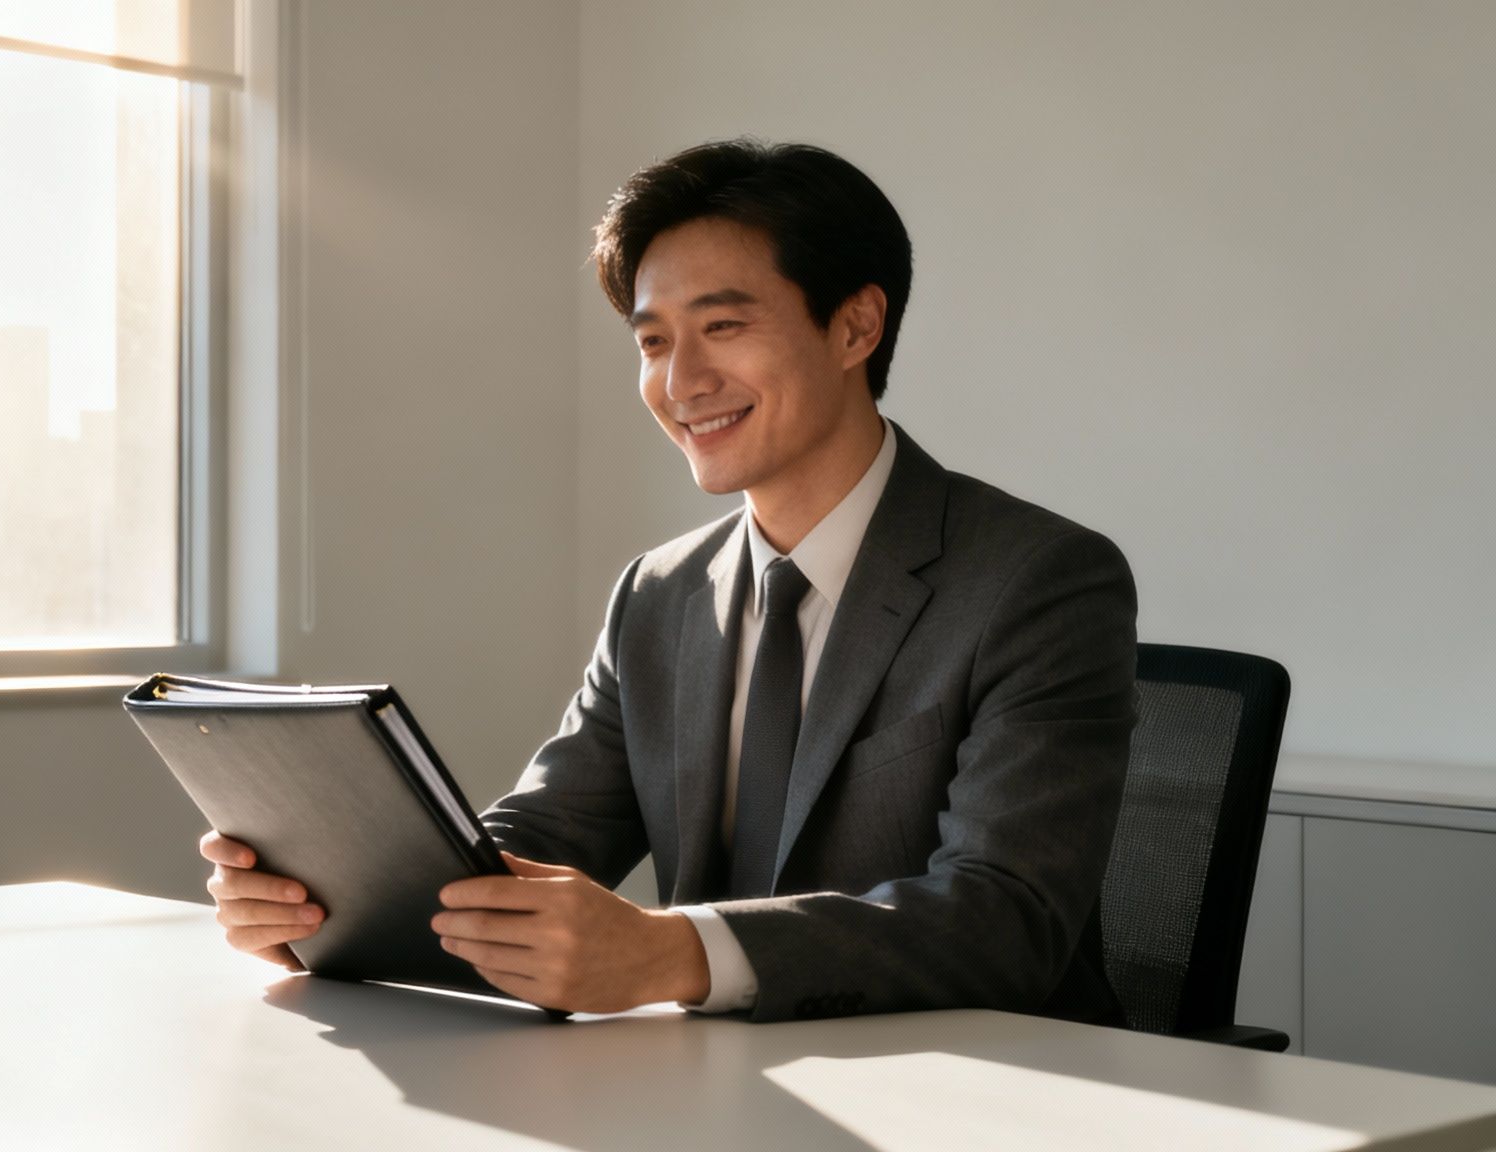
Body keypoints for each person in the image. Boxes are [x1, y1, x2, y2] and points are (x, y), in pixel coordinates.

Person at [202, 139, 1137, 1023]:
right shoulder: (660, 592)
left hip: (984, 1094)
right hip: (711, 1090)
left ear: (856, 325)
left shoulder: (1038, 580)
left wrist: (669, 955)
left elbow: (1006, 918)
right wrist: (336, 905)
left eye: (723, 326)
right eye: (653, 343)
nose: (681, 381)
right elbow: (547, 839)